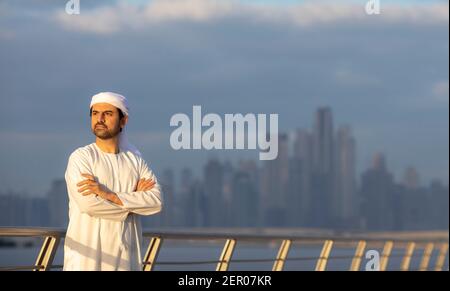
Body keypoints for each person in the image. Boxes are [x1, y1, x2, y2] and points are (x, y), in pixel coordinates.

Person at [63, 92, 163, 271]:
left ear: (123, 121)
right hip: (85, 260)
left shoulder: (135, 160)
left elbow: (156, 201)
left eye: (107, 114)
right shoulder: (81, 157)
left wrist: (109, 195)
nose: (99, 119)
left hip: (126, 259)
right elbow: (89, 205)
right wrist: (133, 205)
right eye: (95, 113)